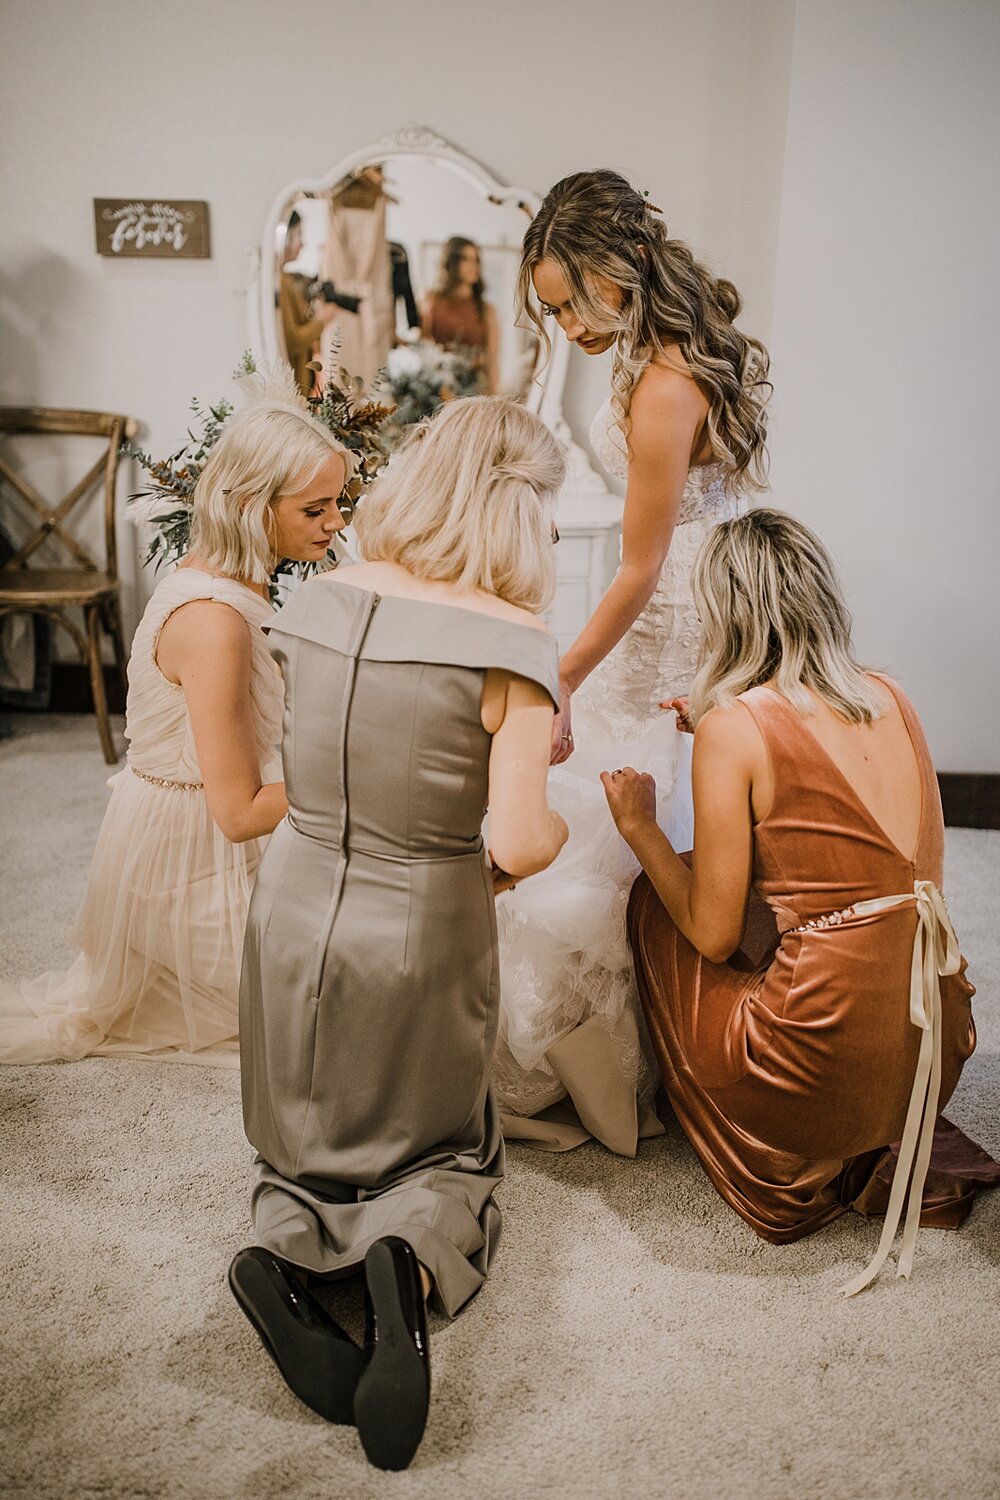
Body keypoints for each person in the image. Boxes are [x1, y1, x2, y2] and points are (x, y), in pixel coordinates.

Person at [229, 396, 567, 1470]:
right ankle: (402, 1267)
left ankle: (283, 1249)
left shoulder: (318, 599)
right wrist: (544, 824)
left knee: (301, 1139)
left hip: (289, 905)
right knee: (446, 1150)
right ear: (518, 512)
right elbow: (518, 836)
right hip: (418, 920)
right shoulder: (509, 644)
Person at [605, 509, 999, 1290]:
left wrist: (640, 827)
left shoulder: (735, 729)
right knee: (771, 892)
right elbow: (823, 816)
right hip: (932, 1042)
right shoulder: (892, 694)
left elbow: (715, 937)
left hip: (812, 1071)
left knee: (661, 901)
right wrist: (722, 728)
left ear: (725, 614)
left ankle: (780, 1151)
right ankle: (867, 1121)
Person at [493, 169, 771, 1156]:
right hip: (717, 586)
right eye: (550, 309)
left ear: (621, 267)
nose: (565, 325)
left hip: (675, 607)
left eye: (571, 300)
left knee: (623, 783)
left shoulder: (661, 386)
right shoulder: (673, 358)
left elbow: (640, 568)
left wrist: (556, 673)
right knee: (653, 786)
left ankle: (629, 1052)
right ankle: (666, 1030)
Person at [0, 366, 350, 1066]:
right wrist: (358, 779)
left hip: (198, 828)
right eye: (316, 510)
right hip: (192, 860)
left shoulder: (226, 577)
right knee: (349, 1010)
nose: (336, 522)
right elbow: (241, 811)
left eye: (338, 503)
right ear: (252, 505)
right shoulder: (213, 620)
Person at [421, 236, 500, 395]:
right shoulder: (431, 301)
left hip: (474, 390)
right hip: (436, 390)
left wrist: (494, 397)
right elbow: (422, 348)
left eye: (476, 260)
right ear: (452, 263)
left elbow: (492, 360)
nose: (473, 266)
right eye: (466, 259)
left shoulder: (486, 310)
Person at [279, 209, 338, 396]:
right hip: (294, 386)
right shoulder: (281, 283)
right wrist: (322, 320)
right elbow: (293, 341)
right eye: (299, 235)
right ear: (285, 238)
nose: (302, 244)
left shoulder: (284, 280)